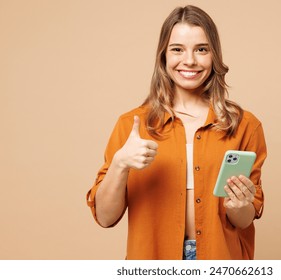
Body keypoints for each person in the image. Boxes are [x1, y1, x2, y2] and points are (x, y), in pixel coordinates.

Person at [86, 5, 267, 260]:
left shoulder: (245, 125)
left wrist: (240, 204)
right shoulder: (131, 126)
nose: (190, 60)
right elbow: (105, 218)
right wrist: (119, 164)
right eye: (177, 49)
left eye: (201, 49)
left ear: (214, 55)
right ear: (163, 56)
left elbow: (245, 219)